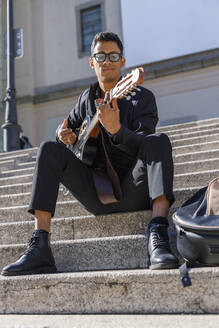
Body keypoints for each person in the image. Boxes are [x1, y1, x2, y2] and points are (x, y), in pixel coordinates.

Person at [1, 32, 178, 276]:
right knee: (48, 149)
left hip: (134, 188)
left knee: (158, 141)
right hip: (95, 193)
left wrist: (117, 130)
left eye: (113, 55)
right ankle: (40, 245)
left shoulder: (141, 98)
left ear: (122, 62)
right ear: (92, 62)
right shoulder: (86, 99)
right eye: (101, 56)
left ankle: (158, 233)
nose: (107, 61)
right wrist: (65, 136)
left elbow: (146, 147)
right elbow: (64, 131)